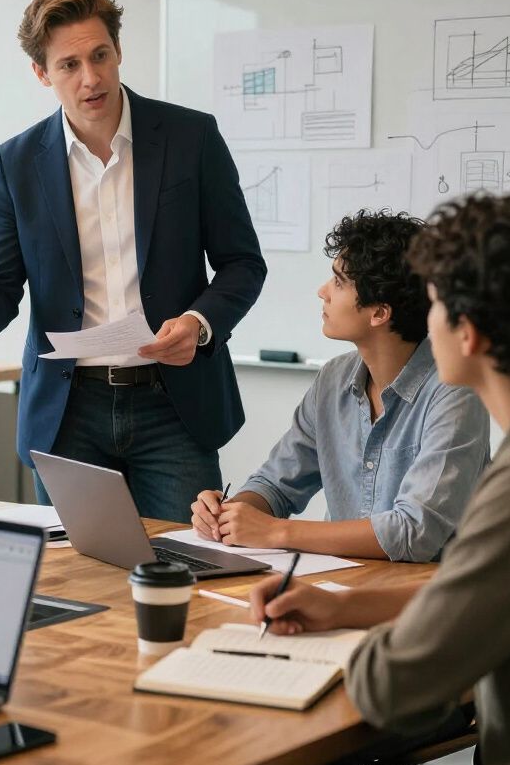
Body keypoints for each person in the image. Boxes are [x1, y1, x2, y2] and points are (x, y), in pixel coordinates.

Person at [238, 193, 510, 765]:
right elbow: (475, 593)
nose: (425, 316)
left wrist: (311, 656)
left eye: (435, 303)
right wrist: (343, 607)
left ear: (467, 333)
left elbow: (390, 689)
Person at [0, 0, 266, 522]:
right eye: (69, 64)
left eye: (101, 55)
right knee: (77, 583)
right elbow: (0, 300)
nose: (91, 77)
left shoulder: (190, 137)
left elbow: (243, 263)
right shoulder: (15, 164)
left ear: (119, 51)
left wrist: (198, 323)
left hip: (173, 405)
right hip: (67, 413)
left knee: (184, 576)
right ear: (42, 74)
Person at [191, 210, 489, 561]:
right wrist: (229, 514)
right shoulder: (333, 379)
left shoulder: (454, 393)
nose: (323, 292)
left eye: (338, 282)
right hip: (338, 582)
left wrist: (275, 532)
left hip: (427, 598)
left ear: (380, 313)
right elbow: (275, 485)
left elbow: (413, 532)